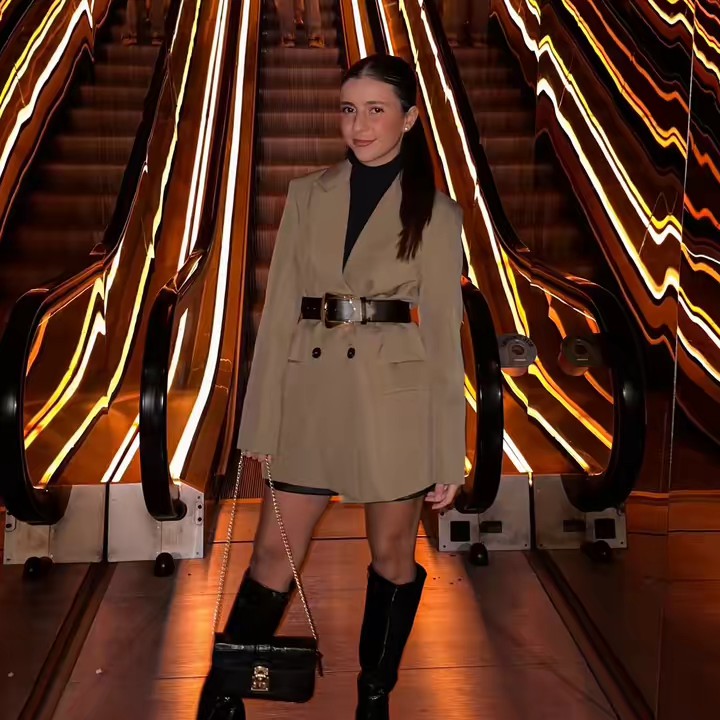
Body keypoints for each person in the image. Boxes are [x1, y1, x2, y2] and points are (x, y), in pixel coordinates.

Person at [197, 54, 465, 720]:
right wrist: (260, 422)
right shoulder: (307, 194)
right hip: (311, 393)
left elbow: (444, 339)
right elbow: (278, 313)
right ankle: (222, 697)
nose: (360, 125)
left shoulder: (436, 212)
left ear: (410, 117)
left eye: (376, 110)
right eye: (349, 109)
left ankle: (374, 696)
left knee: (393, 556)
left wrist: (447, 453)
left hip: (392, 401)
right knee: (271, 552)